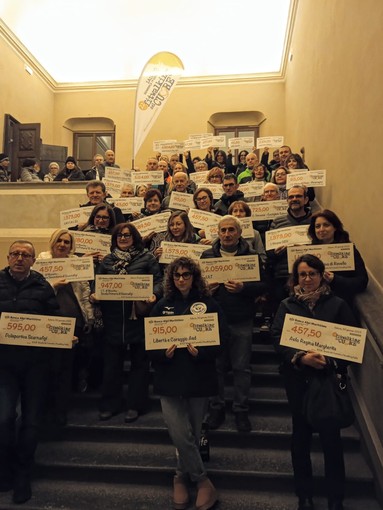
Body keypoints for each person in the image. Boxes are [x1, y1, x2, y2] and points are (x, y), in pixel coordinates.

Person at [271, 254, 358, 510]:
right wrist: (300, 358)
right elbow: (278, 338)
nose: (307, 279)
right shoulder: (286, 305)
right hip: (298, 381)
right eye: (302, 274)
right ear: (295, 278)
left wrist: (329, 361)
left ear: (321, 275)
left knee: (332, 441)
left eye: (312, 273)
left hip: (328, 382)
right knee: (301, 439)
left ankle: (335, 498)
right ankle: (304, 496)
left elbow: (352, 341)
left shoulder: (338, 304)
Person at [149, 257, 226, 510]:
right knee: (180, 434)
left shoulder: (209, 304)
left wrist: (200, 352)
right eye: (177, 275)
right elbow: (149, 346)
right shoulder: (161, 306)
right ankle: (203, 481)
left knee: (192, 432)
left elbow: (221, 341)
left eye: (186, 275)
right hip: (169, 379)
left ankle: (181, 476)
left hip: (198, 378)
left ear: (195, 277)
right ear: (171, 279)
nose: (181, 279)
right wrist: (164, 354)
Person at [0, 240, 60, 504]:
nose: (20, 258)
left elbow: (54, 320)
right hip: (4, 365)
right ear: (8, 257)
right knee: (3, 419)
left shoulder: (42, 285)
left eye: (26, 255)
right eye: (16, 254)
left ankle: (24, 472)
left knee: (32, 422)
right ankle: (5, 468)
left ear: (34, 260)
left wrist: (63, 337)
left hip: (36, 365)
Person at [201, 216, 267, 432]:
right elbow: (196, 287)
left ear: (239, 233)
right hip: (214, 320)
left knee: (241, 368)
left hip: (241, 319)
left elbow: (264, 285)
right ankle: (216, 408)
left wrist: (244, 288)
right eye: (223, 230)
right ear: (218, 233)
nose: (227, 234)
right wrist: (205, 291)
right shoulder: (207, 255)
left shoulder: (251, 256)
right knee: (215, 367)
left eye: (231, 230)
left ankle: (241, 409)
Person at [91, 223, 163, 423]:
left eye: (127, 235)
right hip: (113, 319)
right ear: (114, 239)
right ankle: (110, 404)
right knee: (112, 366)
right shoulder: (107, 261)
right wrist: (94, 295)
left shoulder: (146, 258)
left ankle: (135, 405)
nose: (123, 238)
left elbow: (159, 281)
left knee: (139, 366)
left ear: (135, 237)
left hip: (138, 319)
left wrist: (154, 295)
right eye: (120, 235)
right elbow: (97, 283)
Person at [37, 229, 94, 423]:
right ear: (53, 242)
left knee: (65, 369)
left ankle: (61, 412)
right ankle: (46, 411)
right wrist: (53, 285)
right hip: (47, 324)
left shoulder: (76, 264)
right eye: (59, 241)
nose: (62, 244)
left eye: (67, 242)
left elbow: (84, 292)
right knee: (49, 369)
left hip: (74, 324)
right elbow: (35, 294)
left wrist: (89, 317)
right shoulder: (40, 264)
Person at [307, 210, 368, 306]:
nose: (321, 229)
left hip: (339, 303)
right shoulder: (308, 252)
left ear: (335, 227)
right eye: (317, 226)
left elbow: (362, 282)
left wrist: (335, 279)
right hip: (312, 304)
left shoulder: (348, 250)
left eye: (326, 225)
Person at [267, 185, 312, 302]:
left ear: (306, 200)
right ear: (287, 200)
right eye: (291, 197)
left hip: (310, 276)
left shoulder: (315, 221)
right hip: (283, 275)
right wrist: (276, 252)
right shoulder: (277, 221)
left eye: (298, 196)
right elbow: (269, 252)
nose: (294, 199)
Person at [227, 200, 267, 265]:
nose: (238, 214)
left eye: (241, 211)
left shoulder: (255, 233)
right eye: (235, 211)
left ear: (247, 214)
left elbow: (262, 255)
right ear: (231, 214)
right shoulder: (225, 233)